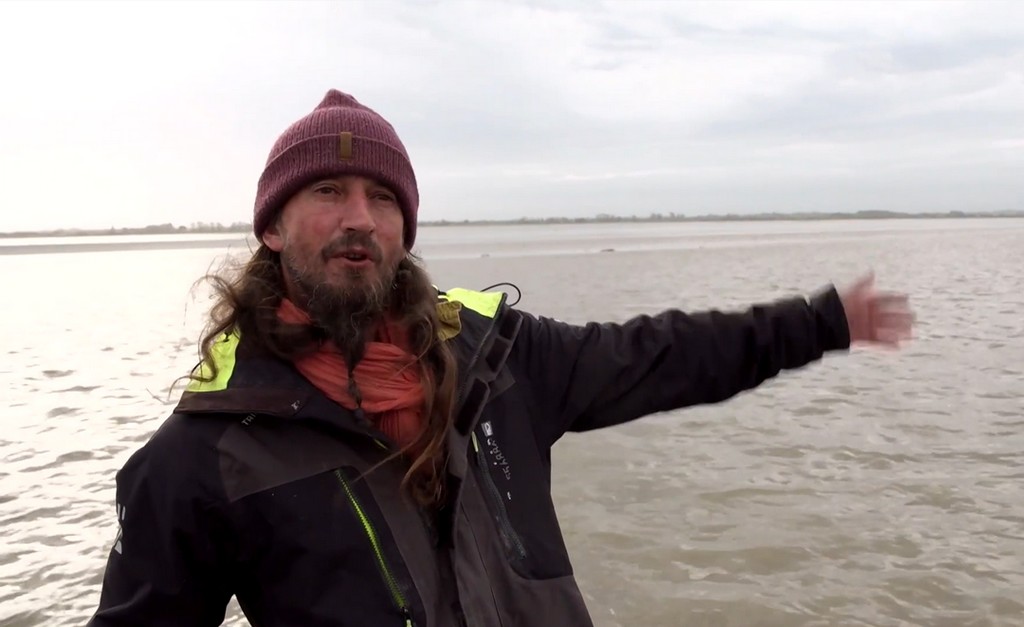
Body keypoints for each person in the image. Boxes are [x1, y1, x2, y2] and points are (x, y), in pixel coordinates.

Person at [86, 89, 914, 627]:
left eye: (382, 198)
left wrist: (820, 322)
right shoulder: (204, 455)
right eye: (328, 192)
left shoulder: (498, 361)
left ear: (406, 228)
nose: (360, 219)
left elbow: (665, 353)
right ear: (271, 226)